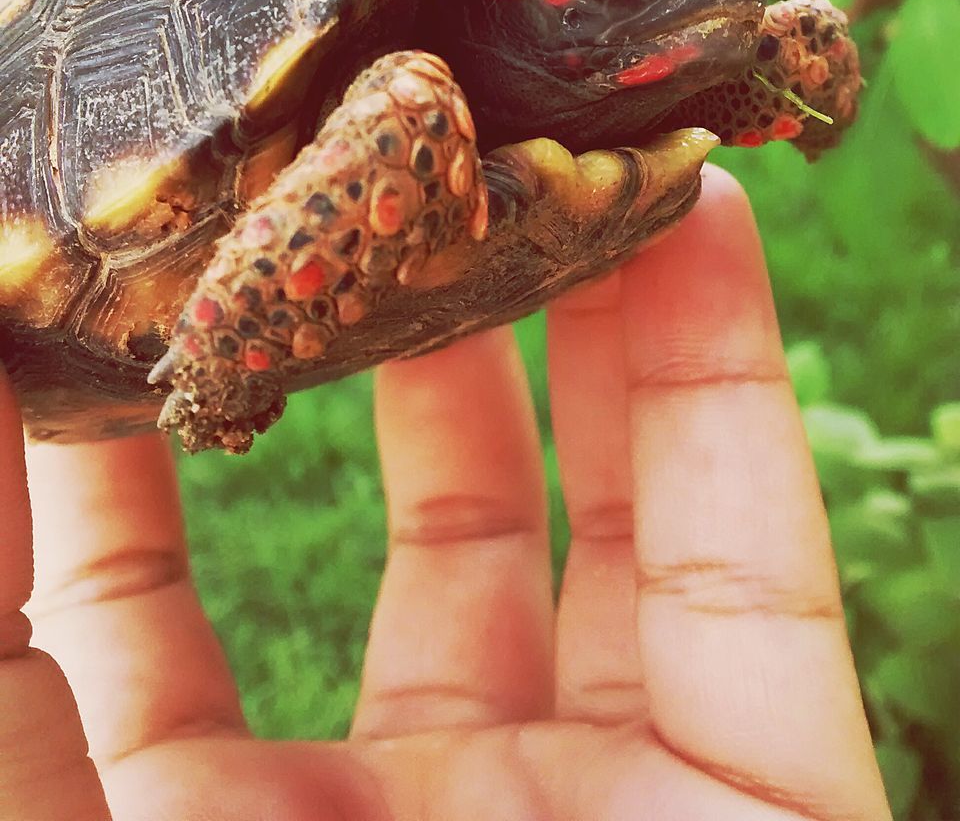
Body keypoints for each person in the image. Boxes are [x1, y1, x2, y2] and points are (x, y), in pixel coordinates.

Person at [0, 167, 892, 821]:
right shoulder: (413, 103)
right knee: (410, 102)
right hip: (108, 261)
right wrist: (232, 346)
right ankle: (238, 324)